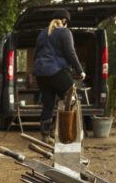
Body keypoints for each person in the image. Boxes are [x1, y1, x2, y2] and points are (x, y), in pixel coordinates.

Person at [33, 9, 86, 144]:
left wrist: (36, 71)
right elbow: (70, 53)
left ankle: (46, 135)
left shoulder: (42, 33)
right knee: (71, 100)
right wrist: (80, 70)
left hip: (41, 74)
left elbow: (35, 55)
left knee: (48, 105)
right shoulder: (64, 32)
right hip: (57, 72)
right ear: (64, 21)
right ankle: (64, 132)